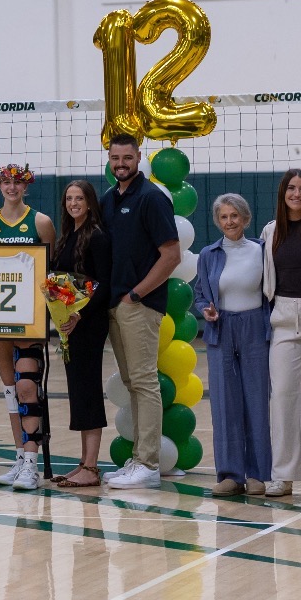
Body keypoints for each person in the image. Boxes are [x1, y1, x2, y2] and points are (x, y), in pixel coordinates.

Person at [100, 134, 181, 491]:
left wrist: (136, 294)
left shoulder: (152, 198)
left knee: (145, 381)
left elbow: (171, 255)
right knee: (133, 381)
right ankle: (139, 456)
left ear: (138, 157)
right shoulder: (107, 200)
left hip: (139, 305)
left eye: (127, 158)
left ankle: (148, 463)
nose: (121, 164)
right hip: (115, 305)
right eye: (115, 158)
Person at [0, 163, 53, 487]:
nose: (11, 187)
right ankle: (20, 456)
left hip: (28, 317)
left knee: (27, 386)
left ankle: (32, 463)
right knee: (9, 390)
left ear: (26, 186)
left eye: (17, 183)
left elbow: (51, 270)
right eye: (6, 182)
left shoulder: (41, 222)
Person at [193, 193, 272, 496]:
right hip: (220, 329)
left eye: (234, 216)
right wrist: (206, 310)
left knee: (256, 399)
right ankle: (229, 474)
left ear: (245, 218)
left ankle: (258, 474)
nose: (229, 222)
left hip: (254, 327)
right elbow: (201, 294)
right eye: (224, 217)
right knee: (224, 403)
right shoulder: (208, 254)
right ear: (218, 221)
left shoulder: (261, 251)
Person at [261, 169, 301, 497]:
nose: (296, 194)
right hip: (283, 316)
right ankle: (284, 475)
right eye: (291, 188)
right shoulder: (270, 231)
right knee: (283, 395)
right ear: (283, 193)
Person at [49, 178, 111, 489]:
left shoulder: (96, 237)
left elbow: (104, 285)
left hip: (88, 325)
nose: (74, 203)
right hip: (69, 325)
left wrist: (77, 314)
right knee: (78, 391)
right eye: (69, 198)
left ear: (89, 202)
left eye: (79, 198)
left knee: (88, 391)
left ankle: (92, 466)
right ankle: (84, 463)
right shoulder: (67, 237)